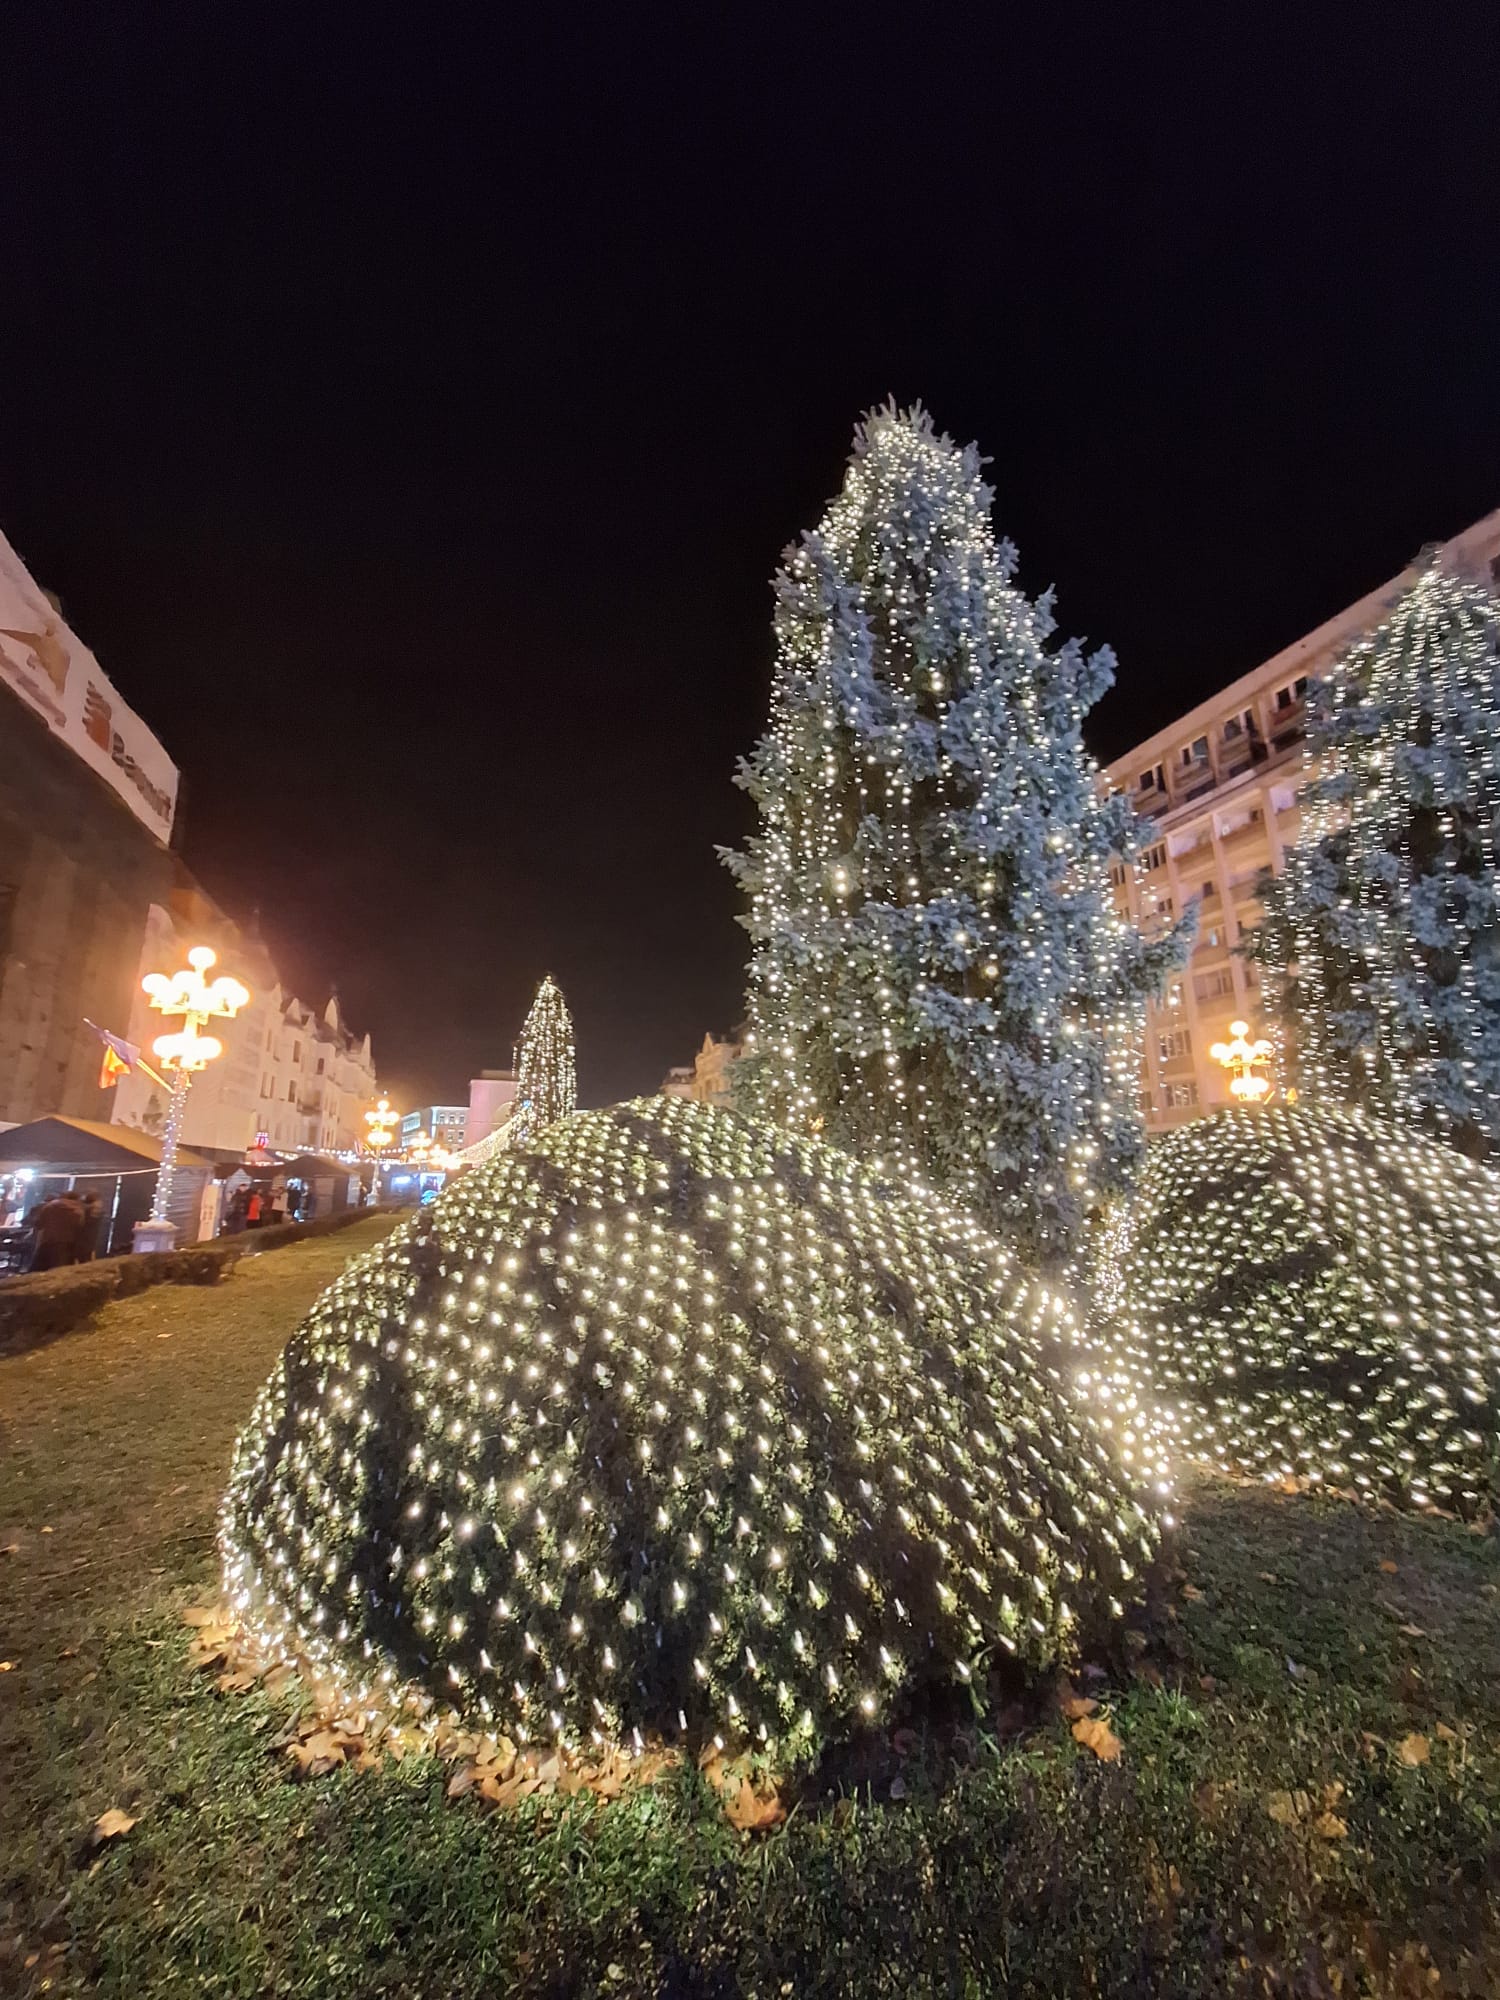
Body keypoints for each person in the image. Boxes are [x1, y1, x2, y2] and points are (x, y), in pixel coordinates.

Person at [27, 1189, 85, 1271]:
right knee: (59, 1272)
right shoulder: (79, 1211)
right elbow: (80, 1229)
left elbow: (39, 1224)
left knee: (37, 1270)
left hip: (48, 1242)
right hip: (67, 1245)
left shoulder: (50, 1206)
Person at [75, 1191, 104, 1262]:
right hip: (91, 1237)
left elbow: (80, 1223)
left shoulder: (86, 1210)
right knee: (87, 1256)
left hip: (83, 1237)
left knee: (82, 1256)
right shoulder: (98, 1209)